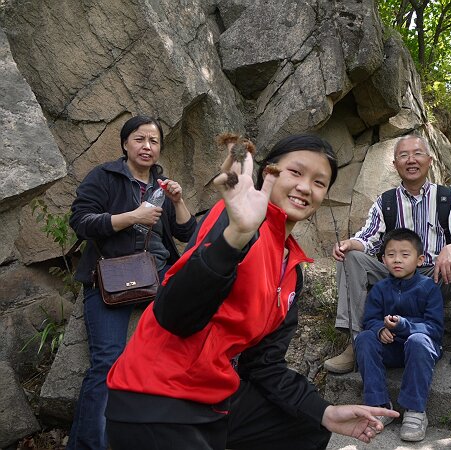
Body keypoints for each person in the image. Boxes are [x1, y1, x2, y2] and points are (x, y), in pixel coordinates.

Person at [104, 134, 398, 450]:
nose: (304, 187)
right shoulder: (236, 221)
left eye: (319, 182)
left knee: (307, 426)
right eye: (295, 172)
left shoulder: (291, 272)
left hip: (213, 400)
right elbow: (174, 316)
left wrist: (325, 411)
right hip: (154, 397)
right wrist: (236, 236)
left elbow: (263, 365)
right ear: (268, 173)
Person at [324, 134, 451, 387]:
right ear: (395, 165)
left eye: (417, 154)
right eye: (403, 155)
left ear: (429, 160)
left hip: (436, 278)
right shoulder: (385, 201)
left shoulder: (446, 198)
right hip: (393, 278)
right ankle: (356, 341)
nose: (411, 160)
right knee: (350, 257)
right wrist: (352, 243)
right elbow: (369, 239)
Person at [67, 115, 196, 450]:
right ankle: (89, 445)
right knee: (107, 361)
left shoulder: (162, 186)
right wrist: (132, 217)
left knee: (183, 351)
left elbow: (186, 234)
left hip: (158, 279)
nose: (147, 147)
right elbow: (81, 222)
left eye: (153, 141)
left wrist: (178, 201)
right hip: (111, 277)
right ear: (125, 144)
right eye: (140, 139)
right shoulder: (105, 177)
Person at [355, 228, 443, 442]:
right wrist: (379, 329)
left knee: (418, 340)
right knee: (364, 338)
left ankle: (415, 410)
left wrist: (404, 326)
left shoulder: (429, 288)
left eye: (405, 255)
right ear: (383, 259)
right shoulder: (380, 289)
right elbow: (370, 319)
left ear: (420, 259)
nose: (397, 260)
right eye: (391, 255)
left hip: (421, 348)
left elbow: (435, 328)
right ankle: (378, 405)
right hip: (392, 349)